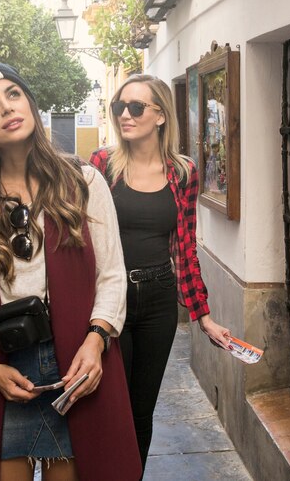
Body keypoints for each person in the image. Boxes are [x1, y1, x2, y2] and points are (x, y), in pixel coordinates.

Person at [0, 62, 141, 481]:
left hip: (74, 361)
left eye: (14, 93)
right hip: (7, 366)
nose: (7, 107)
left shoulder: (84, 183)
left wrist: (96, 340)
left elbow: (112, 277)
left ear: (29, 101)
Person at [89, 74, 231, 475]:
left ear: (161, 116)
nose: (125, 115)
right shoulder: (102, 166)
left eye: (136, 107)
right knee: (108, 405)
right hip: (109, 301)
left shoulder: (183, 173)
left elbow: (185, 245)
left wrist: (203, 314)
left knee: (141, 409)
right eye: (120, 106)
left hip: (158, 300)